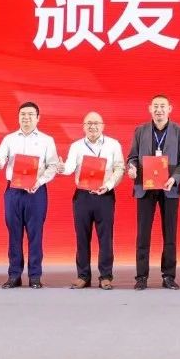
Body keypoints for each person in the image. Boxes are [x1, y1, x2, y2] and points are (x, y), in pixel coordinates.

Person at [0, 102, 59, 289]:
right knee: (14, 234)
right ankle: (14, 275)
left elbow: (52, 166)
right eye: (23, 114)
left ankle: (35, 275)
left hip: (36, 192)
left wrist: (39, 181)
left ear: (38, 118)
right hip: (13, 191)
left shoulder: (47, 140)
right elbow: (0, 160)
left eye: (30, 114)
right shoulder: (9, 139)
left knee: (35, 234)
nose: (26, 117)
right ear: (18, 117)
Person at [126, 94, 180, 290]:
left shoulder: (179, 131)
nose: (159, 110)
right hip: (145, 187)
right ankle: (141, 276)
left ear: (170, 108)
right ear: (149, 109)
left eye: (162, 106)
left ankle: (168, 276)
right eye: (156, 106)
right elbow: (132, 157)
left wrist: (174, 178)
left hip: (169, 188)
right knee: (143, 234)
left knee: (170, 234)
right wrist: (132, 168)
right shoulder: (140, 130)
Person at [59, 111, 125, 289]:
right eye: (89, 123)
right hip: (83, 196)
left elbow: (120, 168)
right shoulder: (76, 146)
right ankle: (83, 276)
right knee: (82, 237)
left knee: (106, 237)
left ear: (102, 126)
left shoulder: (113, 144)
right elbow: (69, 167)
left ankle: (106, 276)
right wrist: (62, 168)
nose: (92, 126)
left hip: (105, 195)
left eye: (96, 123)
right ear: (83, 127)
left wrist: (108, 185)